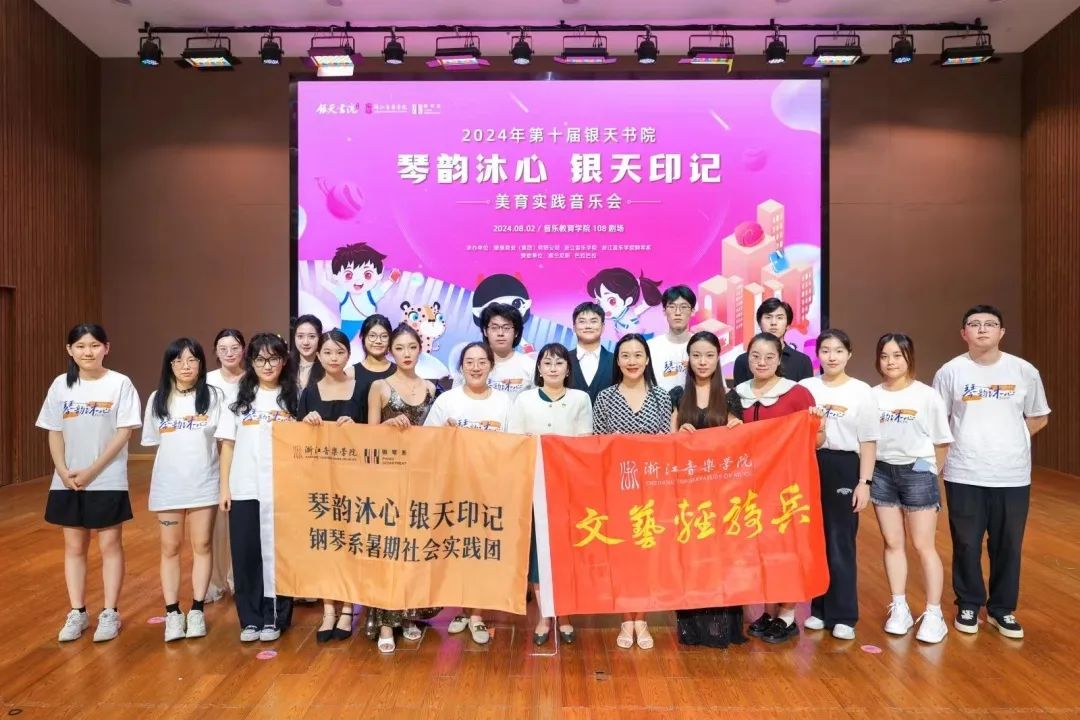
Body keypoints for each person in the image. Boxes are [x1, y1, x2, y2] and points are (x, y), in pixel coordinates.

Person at [933, 305, 1050, 639]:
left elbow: (1039, 416)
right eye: (974, 324)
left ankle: (1002, 609)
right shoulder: (950, 372)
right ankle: (969, 603)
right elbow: (938, 423)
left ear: (1002, 332)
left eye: (990, 324)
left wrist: (1012, 439)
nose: (982, 329)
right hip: (964, 472)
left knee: (1008, 544)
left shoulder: (1023, 370)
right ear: (964, 333)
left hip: (1012, 474)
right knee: (966, 543)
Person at [37, 323, 141, 643]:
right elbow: (54, 431)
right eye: (81, 346)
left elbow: (124, 433)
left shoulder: (119, 383)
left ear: (106, 348)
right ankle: (78, 612)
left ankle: (110, 612)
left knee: (109, 546)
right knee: (74, 547)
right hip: (68, 480)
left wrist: (93, 471)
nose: (88, 352)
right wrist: (62, 470)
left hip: (107, 479)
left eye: (95, 345)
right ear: (69, 350)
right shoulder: (61, 385)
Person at [425, 342, 513, 645]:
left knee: (482, 551)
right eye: (469, 362)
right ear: (461, 367)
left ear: (491, 366)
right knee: (459, 551)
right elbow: (427, 441)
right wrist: (444, 434)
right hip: (454, 488)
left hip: (490, 488)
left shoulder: (504, 402)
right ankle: (462, 609)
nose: (476, 367)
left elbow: (514, 444)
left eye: (482, 362)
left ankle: (476, 614)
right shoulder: (447, 400)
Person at [733, 332, 816, 644]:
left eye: (769, 356)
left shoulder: (797, 394)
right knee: (759, 548)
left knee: (785, 549)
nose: (762, 362)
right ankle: (768, 611)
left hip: (786, 486)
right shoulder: (737, 393)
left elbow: (815, 439)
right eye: (755, 356)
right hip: (749, 486)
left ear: (780, 359)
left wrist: (816, 424)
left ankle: (787, 615)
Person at [508, 343, 593, 646]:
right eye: (547, 363)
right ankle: (545, 617)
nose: (553, 368)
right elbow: (515, 443)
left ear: (568, 368)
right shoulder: (524, 400)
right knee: (537, 554)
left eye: (559, 363)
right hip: (533, 487)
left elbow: (584, 443)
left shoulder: (580, 399)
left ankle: (565, 615)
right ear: (539, 369)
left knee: (565, 552)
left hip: (568, 488)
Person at [871, 333, 953, 644]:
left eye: (897, 355)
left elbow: (942, 442)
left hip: (918, 471)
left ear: (909, 358)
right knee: (893, 542)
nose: (890, 362)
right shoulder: (871, 396)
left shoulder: (927, 395)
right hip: (881, 472)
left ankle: (934, 613)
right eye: (884, 356)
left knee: (923, 545)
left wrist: (930, 472)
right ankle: (900, 607)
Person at [592, 333, 672, 650]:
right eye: (625, 355)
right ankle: (627, 618)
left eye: (638, 355)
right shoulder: (605, 397)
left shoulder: (661, 397)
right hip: (617, 488)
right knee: (623, 555)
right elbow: (598, 445)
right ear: (618, 360)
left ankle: (643, 618)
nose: (632, 361)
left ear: (647, 359)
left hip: (652, 489)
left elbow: (666, 445)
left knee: (648, 553)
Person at [365, 324, 442, 653]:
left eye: (412, 347)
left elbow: (437, 435)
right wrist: (386, 425)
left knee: (416, 549)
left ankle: (409, 615)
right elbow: (368, 437)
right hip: (388, 478)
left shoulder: (432, 388)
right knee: (388, 550)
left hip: (422, 479)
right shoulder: (379, 387)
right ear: (390, 351)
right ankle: (386, 622)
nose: (406, 353)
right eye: (399, 348)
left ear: (420, 349)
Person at [217, 332, 298, 643]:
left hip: (283, 490)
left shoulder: (294, 397)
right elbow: (227, 445)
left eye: (274, 358)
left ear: (284, 361)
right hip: (245, 487)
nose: (267, 365)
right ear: (250, 362)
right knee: (246, 554)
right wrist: (225, 488)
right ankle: (250, 619)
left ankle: (275, 617)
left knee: (278, 555)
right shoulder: (239, 397)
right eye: (260, 359)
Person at [798, 329, 878, 640]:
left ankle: (844, 614)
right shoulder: (807, 387)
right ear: (817, 354)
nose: (832, 357)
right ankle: (819, 609)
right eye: (826, 350)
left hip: (844, 466)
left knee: (840, 540)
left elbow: (868, 441)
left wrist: (864, 482)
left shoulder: (861, 391)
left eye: (839, 351)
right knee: (814, 540)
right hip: (809, 463)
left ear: (849, 354)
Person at [142, 338, 223, 642]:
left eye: (192, 360)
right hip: (168, 487)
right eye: (178, 361)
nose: (185, 366)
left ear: (201, 363)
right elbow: (154, 442)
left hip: (204, 483)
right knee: (170, 548)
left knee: (202, 545)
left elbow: (223, 441)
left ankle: (197, 609)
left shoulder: (213, 397)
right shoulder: (157, 399)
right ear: (170, 365)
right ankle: (173, 612)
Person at [668, 331, 746, 648]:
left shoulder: (730, 398)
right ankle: (692, 628)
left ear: (717, 359)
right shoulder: (676, 394)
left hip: (722, 494)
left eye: (709, 355)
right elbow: (667, 444)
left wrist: (737, 429)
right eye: (697, 355)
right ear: (688, 359)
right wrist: (678, 435)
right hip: (687, 493)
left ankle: (723, 627)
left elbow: (740, 448)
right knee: (691, 558)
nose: (702, 362)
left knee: (721, 558)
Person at [298, 329, 365, 643]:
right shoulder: (309, 393)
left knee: (350, 542)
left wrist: (357, 428)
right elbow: (298, 441)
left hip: (354, 480)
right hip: (320, 481)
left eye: (339, 352)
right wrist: (307, 425)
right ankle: (328, 609)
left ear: (348, 355)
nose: (333, 358)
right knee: (326, 543)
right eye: (327, 352)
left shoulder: (362, 388)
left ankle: (348, 607)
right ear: (318, 356)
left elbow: (374, 435)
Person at [205, 328, 245, 604]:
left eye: (234, 348)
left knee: (240, 520)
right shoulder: (206, 381)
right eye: (223, 348)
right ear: (215, 352)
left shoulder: (252, 379)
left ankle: (238, 577)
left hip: (243, 454)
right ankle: (215, 580)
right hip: (211, 454)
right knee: (215, 522)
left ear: (243, 350)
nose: (229, 353)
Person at [455, 303, 535, 398]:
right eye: (494, 328)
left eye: (506, 328)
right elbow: (454, 398)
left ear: (516, 332)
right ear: (485, 331)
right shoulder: (470, 365)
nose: (500, 333)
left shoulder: (530, 366)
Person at [732, 298, 814, 386]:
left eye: (779, 318)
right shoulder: (743, 361)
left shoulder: (802, 361)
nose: (773, 323)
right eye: (768, 317)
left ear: (788, 325)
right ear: (759, 323)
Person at [647, 285, 696, 393]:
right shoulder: (650, 347)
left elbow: (717, 385)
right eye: (672, 306)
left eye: (684, 307)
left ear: (692, 311)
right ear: (664, 311)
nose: (678, 313)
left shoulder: (703, 346)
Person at [351, 314, 395, 423]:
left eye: (384, 336)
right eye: (372, 335)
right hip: (357, 432)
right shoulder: (350, 373)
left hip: (392, 432)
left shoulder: (398, 371)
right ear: (363, 337)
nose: (378, 341)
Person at [568, 301, 615, 403]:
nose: (588, 326)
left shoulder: (616, 361)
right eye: (582, 321)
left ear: (603, 327)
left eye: (593, 321)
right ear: (574, 327)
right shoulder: (563, 360)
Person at [291, 314, 323, 393]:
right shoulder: (286, 366)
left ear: (320, 337)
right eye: (300, 336)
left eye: (312, 336)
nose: (305, 342)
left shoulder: (326, 368)